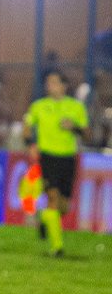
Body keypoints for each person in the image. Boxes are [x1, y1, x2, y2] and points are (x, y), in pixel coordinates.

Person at [22, 70, 89, 257]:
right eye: (48, 83)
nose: (49, 86)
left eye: (53, 83)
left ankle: (43, 218)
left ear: (63, 86)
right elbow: (27, 128)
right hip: (48, 158)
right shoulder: (39, 106)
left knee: (63, 207)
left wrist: (74, 127)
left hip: (68, 159)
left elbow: (87, 134)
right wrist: (30, 145)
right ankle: (57, 248)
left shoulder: (76, 107)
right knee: (52, 197)